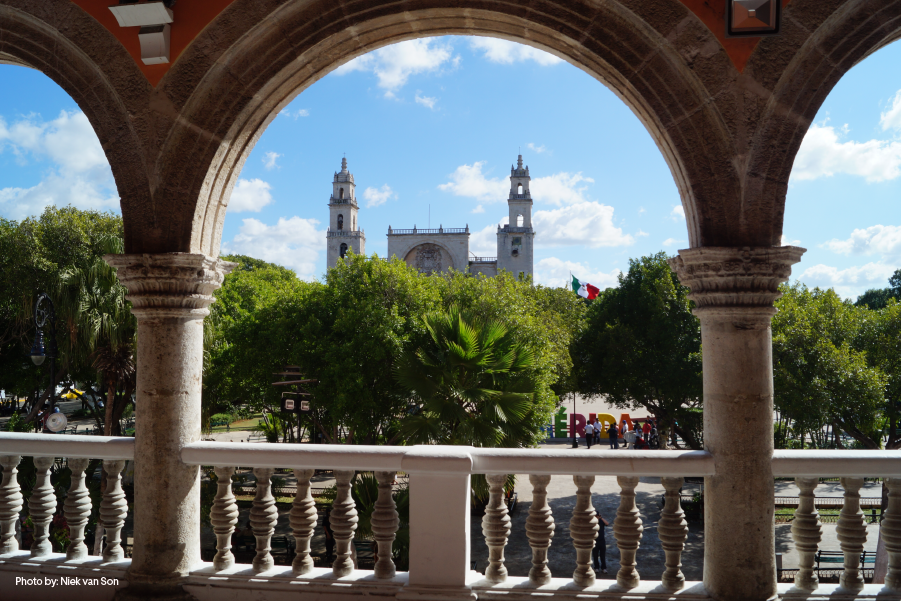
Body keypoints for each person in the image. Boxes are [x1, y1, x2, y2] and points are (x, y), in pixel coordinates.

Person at [593, 508, 610, 574]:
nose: (597, 517)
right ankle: (596, 567)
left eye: (598, 516)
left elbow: (607, 523)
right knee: (595, 555)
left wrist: (601, 518)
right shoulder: (592, 522)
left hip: (602, 541)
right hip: (595, 540)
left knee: (603, 555)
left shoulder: (601, 521)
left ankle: (604, 568)